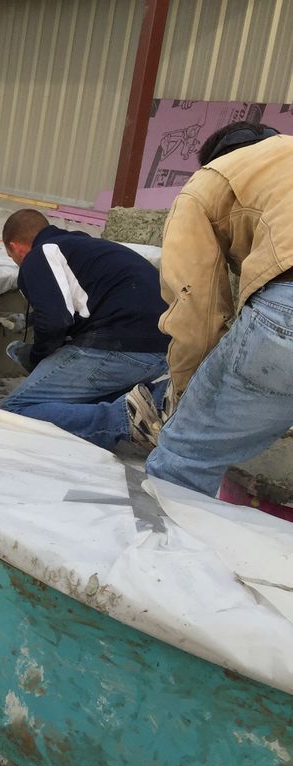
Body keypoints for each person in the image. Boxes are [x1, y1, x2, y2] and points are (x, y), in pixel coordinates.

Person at [142, 122, 293, 496]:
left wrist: (185, 395)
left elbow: (196, 310)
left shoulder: (208, 183)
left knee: (183, 457)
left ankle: (163, 553)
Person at [0, 209, 171, 449]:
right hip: (162, 349)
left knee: (14, 410)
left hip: (121, 344)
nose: (17, 263)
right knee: (79, 401)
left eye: (12, 257)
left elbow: (55, 321)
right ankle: (159, 400)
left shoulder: (40, 255)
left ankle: (124, 419)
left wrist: (36, 357)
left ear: (16, 247)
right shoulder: (84, 248)